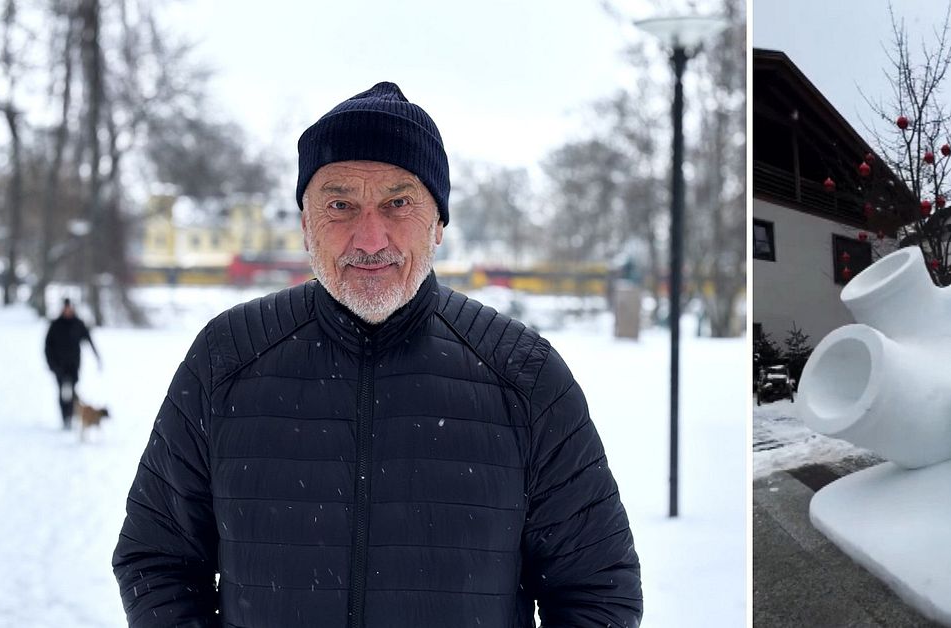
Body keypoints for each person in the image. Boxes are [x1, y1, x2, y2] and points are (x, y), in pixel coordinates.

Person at [112, 82, 642, 628]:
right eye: (340, 204)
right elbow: (159, 560)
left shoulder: (525, 376)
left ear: (438, 224)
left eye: (398, 203)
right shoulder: (227, 358)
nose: (369, 238)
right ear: (304, 222)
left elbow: (597, 593)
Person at [44, 298, 100, 429]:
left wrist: (97, 357)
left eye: (70, 308)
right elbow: (47, 346)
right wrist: (51, 364)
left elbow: (89, 340)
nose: (68, 311)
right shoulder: (55, 325)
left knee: (73, 392)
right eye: (66, 308)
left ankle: (71, 415)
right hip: (59, 365)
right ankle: (64, 417)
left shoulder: (78, 324)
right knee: (62, 392)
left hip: (74, 365)